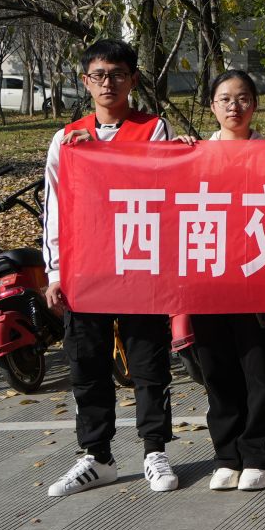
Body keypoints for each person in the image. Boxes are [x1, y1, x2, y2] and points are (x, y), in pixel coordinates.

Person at [43, 39, 181, 498]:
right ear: (85, 81)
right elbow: (54, 208)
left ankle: (155, 450)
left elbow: (158, 181)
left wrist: (101, 155)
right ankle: (96, 456)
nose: (109, 83)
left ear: (133, 80)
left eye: (118, 74)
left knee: (148, 361)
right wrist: (55, 272)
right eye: (99, 75)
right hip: (86, 267)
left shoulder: (153, 128)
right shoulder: (67, 138)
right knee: (87, 363)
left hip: (139, 261)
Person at [194, 71, 265, 492]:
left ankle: (258, 455)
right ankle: (226, 456)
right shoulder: (195, 155)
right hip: (209, 280)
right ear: (212, 105)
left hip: (259, 278)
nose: (234, 106)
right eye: (225, 99)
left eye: (243, 97)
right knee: (217, 372)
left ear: (255, 104)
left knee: (257, 373)